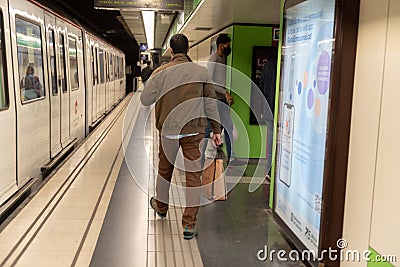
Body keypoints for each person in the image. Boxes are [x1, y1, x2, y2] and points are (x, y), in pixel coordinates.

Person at [140, 34, 222, 240]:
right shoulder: (201, 72)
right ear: (188, 49)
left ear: (170, 51)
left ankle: (161, 207)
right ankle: (188, 224)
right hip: (194, 132)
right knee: (193, 177)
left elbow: (145, 99)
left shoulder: (160, 73)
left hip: (168, 131)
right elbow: (211, 103)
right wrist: (216, 130)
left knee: (164, 170)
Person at [206, 34, 245, 166]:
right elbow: (209, 82)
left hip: (222, 100)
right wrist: (225, 92)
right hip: (214, 100)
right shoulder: (213, 59)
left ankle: (232, 157)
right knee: (208, 129)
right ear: (220, 45)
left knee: (228, 127)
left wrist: (226, 95)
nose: (229, 47)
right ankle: (200, 154)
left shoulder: (224, 59)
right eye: (228, 45)